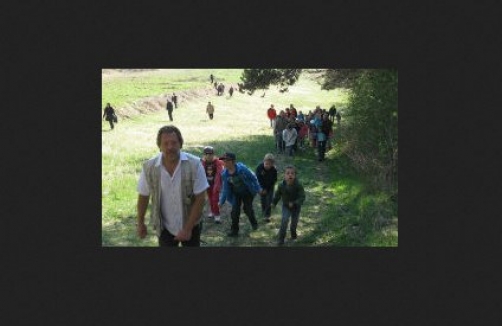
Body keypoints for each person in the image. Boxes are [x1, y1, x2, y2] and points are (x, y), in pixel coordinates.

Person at [136, 125, 209, 247]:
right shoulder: (149, 167)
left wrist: (187, 229)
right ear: (159, 146)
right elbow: (143, 196)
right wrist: (140, 222)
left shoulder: (194, 164)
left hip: (191, 224)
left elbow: (200, 198)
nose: (170, 147)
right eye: (165, 143)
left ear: (180, 144)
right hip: (164, 227)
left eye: (174, 143)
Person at [218, 152, 262, 237]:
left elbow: (253, 178)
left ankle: (254, 224)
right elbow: (225, 189)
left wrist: (258, 188)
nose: (224, 162)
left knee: (247, 209)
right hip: (236, 194)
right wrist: (221, 201)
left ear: (233, 161)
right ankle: (234, 231)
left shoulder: (242, 169)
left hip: (247, 192)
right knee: (234, 212)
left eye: (227, 160)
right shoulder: (225, 174)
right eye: (223, 160)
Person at [272, 165, 306, 245]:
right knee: (284, 220)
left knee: (294, 222)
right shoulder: (281, 185)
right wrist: (274, 203)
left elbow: (302, 196)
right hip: (286, 206)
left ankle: (293, 233)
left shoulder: (298, 185)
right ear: (284, 175)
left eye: (292, 173)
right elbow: (277, 195)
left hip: (296, 207)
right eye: (287, 173)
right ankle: (281, 239)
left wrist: (295, 203)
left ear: (295, 175)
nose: (290, 175)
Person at [201, 146, 224, 224]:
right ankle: (212, 211)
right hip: (207, 184)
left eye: (210, 154)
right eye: (206, 154)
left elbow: (219, 173)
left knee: (215, 199)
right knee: (210, 199)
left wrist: (217, 185)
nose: (208, 156)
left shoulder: (218, 162)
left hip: (216, 184)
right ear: (204, 155)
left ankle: (217, 215)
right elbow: (201, 174)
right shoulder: (202, 162)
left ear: (213, 154)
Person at [255, 153, 278, 223]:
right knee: (263, 200)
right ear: (263, 161)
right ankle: (263, 211)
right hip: (261, 186)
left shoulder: (274, 170)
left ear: (272, 164)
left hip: (270, 187)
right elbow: (258, 179)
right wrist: (262, 189)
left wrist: (267, 189)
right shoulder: (259, 168)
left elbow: (274, 180)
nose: (267, 165)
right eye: (266, 163)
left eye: (270, 164)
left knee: (269, 200)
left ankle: (267, 215)